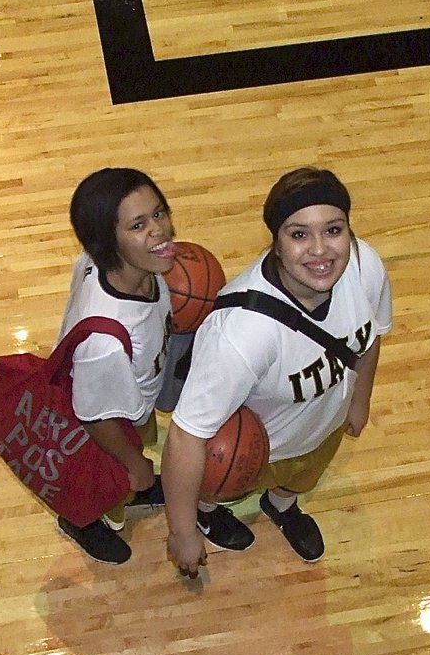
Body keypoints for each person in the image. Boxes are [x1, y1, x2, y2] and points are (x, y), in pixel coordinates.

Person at [163, 167, 392, 576]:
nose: (320, 250)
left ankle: (281, 505)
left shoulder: (364, 267)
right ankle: (207, 512)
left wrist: (361, 397)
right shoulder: (242, 332)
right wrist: (182, 532)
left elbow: (370, 336)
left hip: (323, 425)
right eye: (299, 234)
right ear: (276, 241)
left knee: (302, 477)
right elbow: (185, 435)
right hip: (254, 446)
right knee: (215, 479)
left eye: (333, 230)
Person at [53, 167, 251, 564]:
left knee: (134, 460)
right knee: (109, 484)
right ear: (107, 241)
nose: (159, 230)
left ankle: (128, 482)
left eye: (159, 213)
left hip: (125, 398)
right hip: (106, 424)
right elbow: (95, 419)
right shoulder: (104, 345)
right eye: (138, 225)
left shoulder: (122, 266)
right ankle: (84, 520)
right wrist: (133, 464)